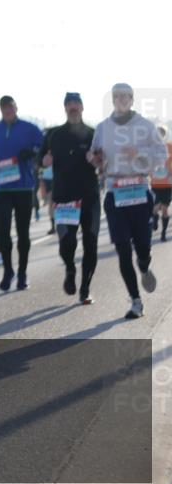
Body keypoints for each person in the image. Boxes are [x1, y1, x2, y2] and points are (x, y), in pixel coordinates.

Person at [89, 83, 168, 319]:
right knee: (122, 249)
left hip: (140, 191)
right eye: (116, 96)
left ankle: (144, 265)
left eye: (125, 96)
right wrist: (96, 159)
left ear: (132, 100)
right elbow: (94, 157)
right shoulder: (103, 128)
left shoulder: (144, 126)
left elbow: (162, 156)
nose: (120, 100)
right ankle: (136, 300)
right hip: (115, 192)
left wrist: (140, 155)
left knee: (142, 246)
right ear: (112, 100)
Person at [39, 93, 99, 304]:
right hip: (64, 197)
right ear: (65, 108)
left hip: (89, 196)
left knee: (91, 243)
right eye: (69, 104)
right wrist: (45, 160)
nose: (73, 107)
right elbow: (41, 158)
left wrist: (96, 161)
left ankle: (85, 289)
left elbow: (103, 162)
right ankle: (70, 268)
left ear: (82, 107)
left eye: (76, 103)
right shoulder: (54, 134)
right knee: (67, 243)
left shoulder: (93, 133)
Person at [0, 95, 44, 291]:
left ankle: (23, 273)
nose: (7, 111)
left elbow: (43, 145)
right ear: (0, 110)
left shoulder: (29, 128)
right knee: (2, 232)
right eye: (4, 108)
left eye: (10, 107)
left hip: (23, 186)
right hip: (0, 187)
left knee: (23, 232)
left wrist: (33, 153)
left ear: (16, 108)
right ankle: (8, 271)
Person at [152, 124, 171, 243]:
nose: (160, 135)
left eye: (162, 133)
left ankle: (163, 232)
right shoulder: (151, 148)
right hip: (155, 184)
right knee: (154, 208)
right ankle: (154, 220)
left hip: (168, 184)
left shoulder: (170, 147)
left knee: (164, 208)